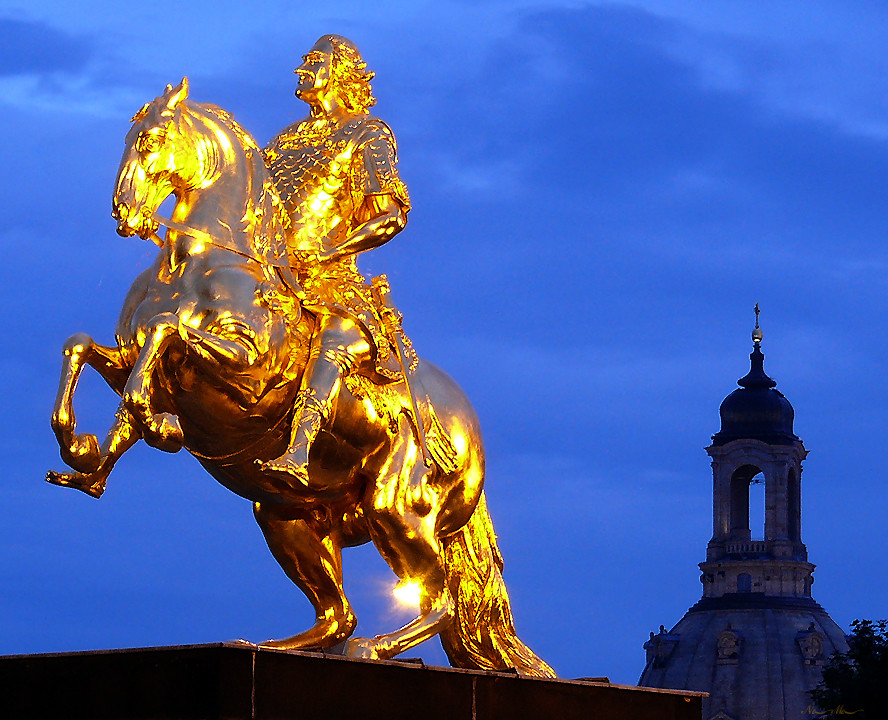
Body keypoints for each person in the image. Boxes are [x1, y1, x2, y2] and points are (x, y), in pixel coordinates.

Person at [261, 34, 413, 484]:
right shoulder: (284, 139)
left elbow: (389, 216)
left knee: (332, 341)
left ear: (341, 73)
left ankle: (299, 451)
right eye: (304, 60)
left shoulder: (369, 133)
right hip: (277, 276)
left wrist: (330, 250)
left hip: (334, 281)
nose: (301, 68)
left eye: (313, 60)